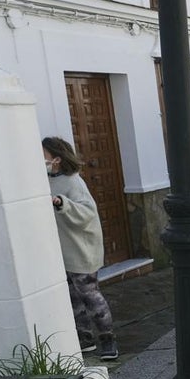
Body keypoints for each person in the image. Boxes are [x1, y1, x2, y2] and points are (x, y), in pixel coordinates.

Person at [43, 136, 119, 361]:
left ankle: (108, 340)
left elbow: (87, 212)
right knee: (72, 297)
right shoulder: (44, 180)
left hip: (81, 248)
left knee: (90, 295)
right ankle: (85, 338)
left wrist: (61, 203)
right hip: (62, 249)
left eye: (43, 155)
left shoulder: (73, 182)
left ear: (56, 159)